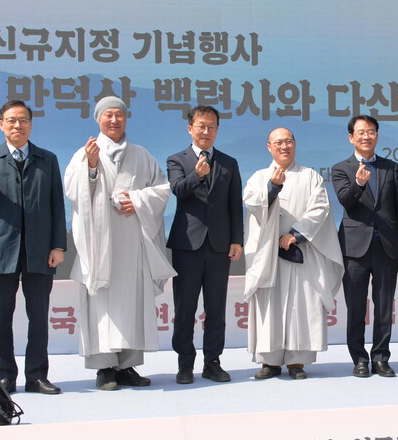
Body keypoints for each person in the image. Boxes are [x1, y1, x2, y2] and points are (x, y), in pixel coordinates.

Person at [64, 97, 176, 391]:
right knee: (101, 303)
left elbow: (161, 189)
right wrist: (91, 167)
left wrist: (137, 200)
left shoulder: (141, 155)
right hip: (100, 244)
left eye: (119, 115)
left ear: (126, 118)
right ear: (98, 119)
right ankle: (104, 368)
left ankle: (127, 366)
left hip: (132, 242)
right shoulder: (85, 153)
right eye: (108, 115)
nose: (114, 120)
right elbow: (73, 193)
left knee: (131, 302)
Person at [0, 100, 66, 395]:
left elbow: (56, 204)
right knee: (1, 318)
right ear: (1, 124)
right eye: (11, 120)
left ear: (31, 124)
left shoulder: (47, 159)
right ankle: (4, 375)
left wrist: (58, 245)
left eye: (23, 120)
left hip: (39, 250)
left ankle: (37, 376)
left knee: (38, 317)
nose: (18, 125)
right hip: (2, 249)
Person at [243, 128, 343, 380]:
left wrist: (296, 234)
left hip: (301, 251)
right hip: (269, 255)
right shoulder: (259, 177)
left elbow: (320, 208)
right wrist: (273, 187)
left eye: (288, 141)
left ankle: (297, 361)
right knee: (270, 305)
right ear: (269, 147)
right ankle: (270, 361)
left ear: (295, 144)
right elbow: (252, 203)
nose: (284, 146)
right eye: (278, 142)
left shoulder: (311, 177)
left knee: (302, 304)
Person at [167, 105, 244, 384]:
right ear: (190, 128)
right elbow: (178, 190)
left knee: (216, 308)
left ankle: (212, 361)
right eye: (201, 126)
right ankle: (184, 363)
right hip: (187, 245)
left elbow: (235, 205)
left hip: (219, 247)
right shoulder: (177, 160)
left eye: (212, 126)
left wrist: (237, 240)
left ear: (217, 130)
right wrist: (197, 175)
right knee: (185, 308)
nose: (206, 131)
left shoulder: (228, 163)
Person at [332, 115, 398, 377]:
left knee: (384, 305)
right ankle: (359, 359)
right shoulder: (341, 168)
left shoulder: (390, 167)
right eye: (361, 132)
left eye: (371, 132)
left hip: (387, 245)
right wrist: (359, 183)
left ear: (377, 135)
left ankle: (380, 357)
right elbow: (346, 201)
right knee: (356, 306)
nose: (366, 136)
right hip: (354, 247)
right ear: (351, 137)